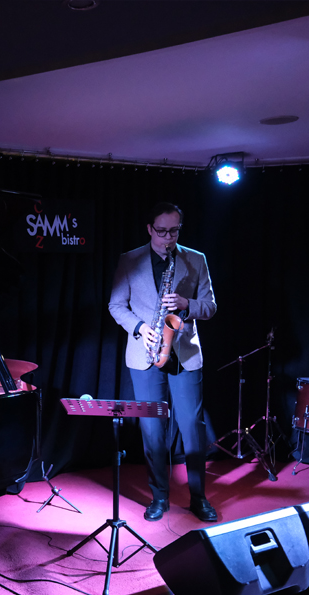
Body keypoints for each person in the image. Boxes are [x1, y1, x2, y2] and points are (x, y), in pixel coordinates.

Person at [108, 203, 218, 522]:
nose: (168, 238)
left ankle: (198, 497)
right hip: (146, 351)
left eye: (174, 231)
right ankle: (159, 497)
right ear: (149, 228)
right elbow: (116, 305)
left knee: (192, 428)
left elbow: (210, 306)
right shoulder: (129, 260)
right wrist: (141, 328)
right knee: (152, 430)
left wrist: (186, 303)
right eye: (162, 231)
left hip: (184, 353)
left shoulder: (196, 259)